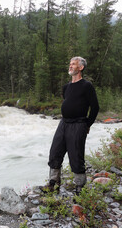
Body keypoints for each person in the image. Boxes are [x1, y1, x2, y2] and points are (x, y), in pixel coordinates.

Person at [42, 56, 99, 194]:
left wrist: (87, 124)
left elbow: (95, 107)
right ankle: (53, 184)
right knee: (55, 152)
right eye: (70, 64)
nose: (70, 66)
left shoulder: (87, 86)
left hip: (79, 124)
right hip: (63, 123)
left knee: (76, 155)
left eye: (74, 64)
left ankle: (80, 187)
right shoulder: (66, 87)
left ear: (81, 67)